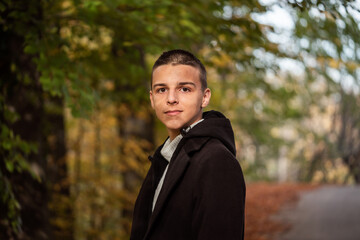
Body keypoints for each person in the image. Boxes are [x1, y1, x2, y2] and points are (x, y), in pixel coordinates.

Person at [130, 49, 246, 240]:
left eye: (184, 89)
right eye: (162, 89)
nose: (171, 99)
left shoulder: (216, 162)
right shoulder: (165, 157)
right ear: (152, 99)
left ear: (205, 97)